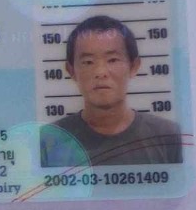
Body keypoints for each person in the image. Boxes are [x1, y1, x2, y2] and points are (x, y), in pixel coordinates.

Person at [39, 14, 183, 167]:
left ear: (134, 66)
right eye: (88, 62)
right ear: (71, 71)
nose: (100, 72)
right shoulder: (49, 141)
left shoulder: (168, 137)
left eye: (112, 60)